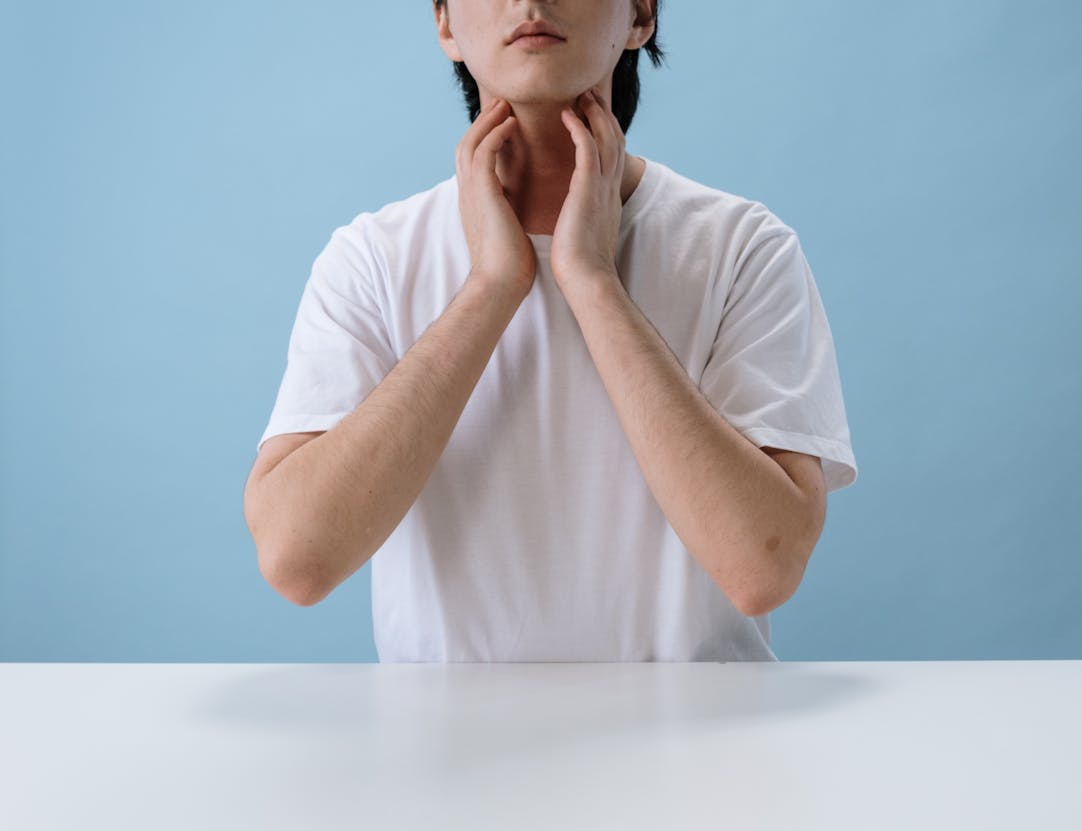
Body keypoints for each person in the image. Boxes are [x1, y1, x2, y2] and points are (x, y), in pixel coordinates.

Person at [243, 0, 859, 662]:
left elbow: (763, 568)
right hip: (446, 754)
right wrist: (491, 287)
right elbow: (295, 559)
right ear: (445, 23)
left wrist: (593, 283)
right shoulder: (372, 260)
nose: (530, 0)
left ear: (641, 16)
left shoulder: (743, 249)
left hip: (695, 747)